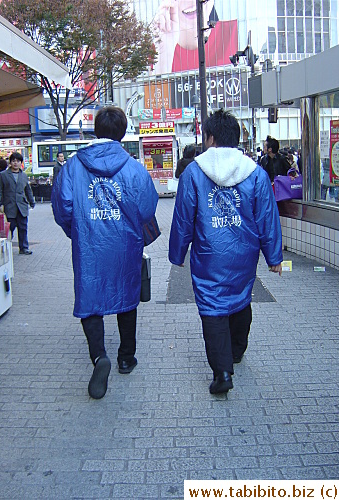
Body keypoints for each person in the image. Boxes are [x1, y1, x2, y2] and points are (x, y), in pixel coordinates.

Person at [169, 109, 283, 395]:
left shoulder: (193, 172)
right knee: (242, 296)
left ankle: (222, 373)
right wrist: (274, 258)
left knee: (212, 306)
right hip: (245, 252)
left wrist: (177, 254)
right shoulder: (254, 173)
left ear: (209, 137)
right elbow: (267, 217)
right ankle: (237, 350)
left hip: (209, 253)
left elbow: (183, 217)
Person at [52, 106, 158, 400]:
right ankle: (126, 357)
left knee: (90, 299)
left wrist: (79, 232)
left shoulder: (73, 166)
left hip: (89, 244)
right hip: (125, 244)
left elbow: (63, 207)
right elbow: (148, 208)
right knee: (127, 297)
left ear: (96, 129)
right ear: (122, 133)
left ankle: (100, 357)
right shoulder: (134, 167)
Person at [153, 0, 238, 74]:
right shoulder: (158, 46)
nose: (193, 1)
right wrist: (163, 58)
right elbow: (155, 91)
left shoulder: (232, 33)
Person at [0, 152, 35, 255]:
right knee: (9, 228)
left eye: (17, 161)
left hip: (21, 206)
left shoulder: (24, 175)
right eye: (13, 161)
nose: (15, 163)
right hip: (10, 206)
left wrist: (31, 201)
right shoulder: (3, 175)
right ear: (10, 162)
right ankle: (5, 248)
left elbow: (28, 190)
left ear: (21, 163)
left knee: (23, 228)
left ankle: (24, 248)